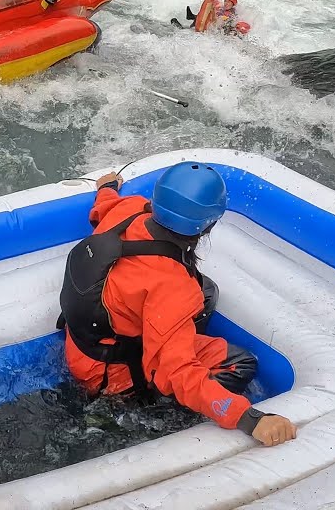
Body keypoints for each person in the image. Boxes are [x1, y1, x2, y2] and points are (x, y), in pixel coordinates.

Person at [59, 164, 296, 447]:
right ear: (209, 223)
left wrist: (107, 188)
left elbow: (104, 209)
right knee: (240, 363)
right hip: (112, 378)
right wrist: (249, 418)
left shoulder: (131, 209)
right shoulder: (173, 287)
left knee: (205, 292)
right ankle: (159, 410)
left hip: (82, 345)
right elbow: (176, 372)